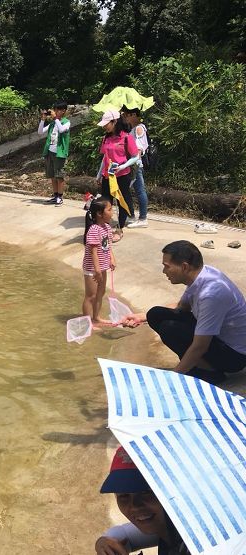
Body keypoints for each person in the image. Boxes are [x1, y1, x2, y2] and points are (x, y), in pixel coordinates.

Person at [122, 240, 246, 384]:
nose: (163, 271)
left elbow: (200, 345)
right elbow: (182, 307)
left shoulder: (211, 294)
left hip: (234, 356)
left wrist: (174, 377)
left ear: (184, 267)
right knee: (154, 314)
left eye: (166, 267)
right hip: (219, 338)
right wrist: (142, 317)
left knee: (170, 328)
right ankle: (196, 365)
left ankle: (210, 372)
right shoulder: (202, 275)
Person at [94, 446, 189, 554]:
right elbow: (122, 535)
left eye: (145, 492)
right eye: (123, 495)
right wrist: (104, 543)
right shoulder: (171, 526)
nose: (134, 506)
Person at [96, 110, 140, 236]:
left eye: (106, 124)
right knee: (105, 202)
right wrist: (99, 174)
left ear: (115, 121)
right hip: (107, 175)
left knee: (122, 201)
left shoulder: (126, 137)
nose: (104, 126)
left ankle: (120, 228)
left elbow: (135, 156)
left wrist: (123, 166)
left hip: (122, 175)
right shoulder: (106, 138)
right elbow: (105, 157)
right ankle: (105, 228)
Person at [82, 196, 116, 328]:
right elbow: (93, 252)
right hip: (92, 268)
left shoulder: (107, 227)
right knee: (91, 295)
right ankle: (87, 322)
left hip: (102, 267)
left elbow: (108, 246)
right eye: (109, 209)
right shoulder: (93, 230)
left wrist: (112, 259)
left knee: (100, 293)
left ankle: (96, 317)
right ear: (100, 214)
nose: (112, 212)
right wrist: (96, 270)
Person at [121, 107, 149, 229]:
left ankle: (142, 218)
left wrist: (131, 162)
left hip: (135, 165)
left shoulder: (139, 128)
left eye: (126, 115)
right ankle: (131, 214)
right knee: (128, 190)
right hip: (132, 164)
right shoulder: (133, 129)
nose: (125, 118)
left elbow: (138, 148)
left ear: (133, 115)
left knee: (139, 191)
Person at [38, 101, 71, 206]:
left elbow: (61, 130)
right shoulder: (53, 123)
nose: (55, 112)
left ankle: (60, 197)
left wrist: (55, 119)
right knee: (52, 175)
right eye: (55, 109)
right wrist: (43, 119)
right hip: (50, 152)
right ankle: (55, 195)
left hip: (59, 153)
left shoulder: (66, 122)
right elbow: (40, 132)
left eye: (58, 110)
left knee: (59, 176)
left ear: (63, 111)